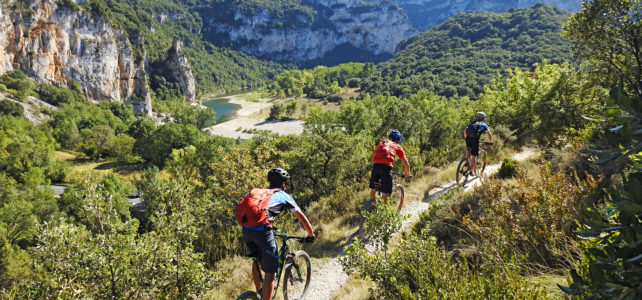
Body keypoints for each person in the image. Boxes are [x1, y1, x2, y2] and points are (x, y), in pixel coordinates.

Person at [241, 168, 315, 300]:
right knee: (270, 272)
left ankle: (259, 294)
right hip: (262, 232)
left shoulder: (260, 193)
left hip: (246, 230)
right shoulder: (283, 195)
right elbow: (301, 216)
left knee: (257, 260)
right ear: (283, 183)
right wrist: (311, 234)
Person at [369, 130, 412, 204]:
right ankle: (384, 214)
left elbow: (372, 157)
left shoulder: (381, 143)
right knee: (384, 193)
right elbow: (405, 162)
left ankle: (371, 206)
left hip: (375, 166)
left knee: (373, 189)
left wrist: (378, 165)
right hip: (386, 168)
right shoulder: (396, 146)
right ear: (397, 139)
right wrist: (408, 174)